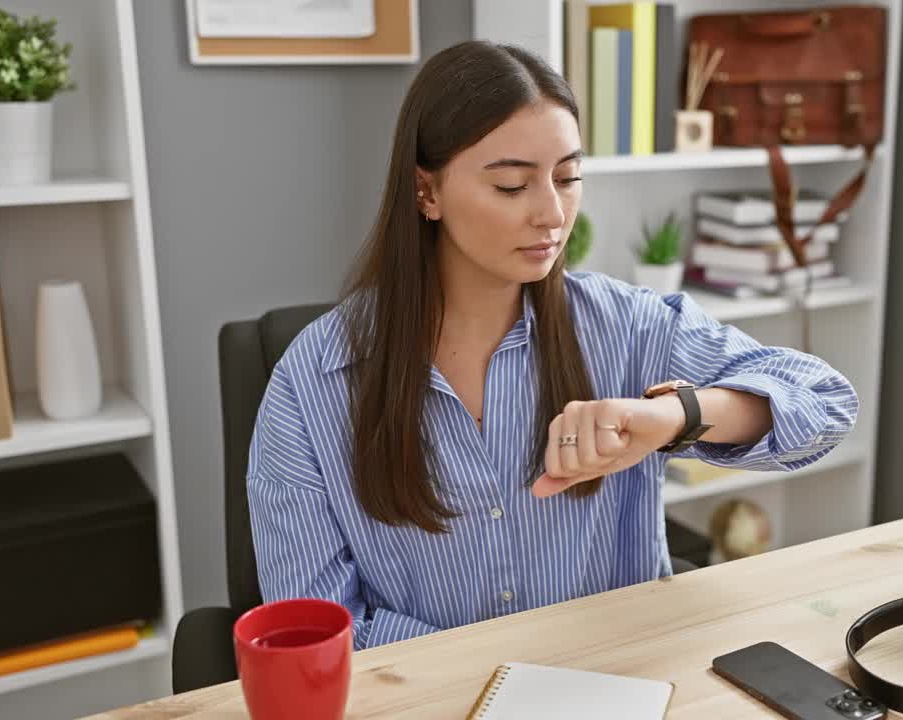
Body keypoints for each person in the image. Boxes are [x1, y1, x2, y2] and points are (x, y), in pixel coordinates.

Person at [246, 40, 858, 651]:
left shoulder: (629, 326)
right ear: (426, 192)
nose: (552, 214)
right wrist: (503, 671)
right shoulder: (314, 382)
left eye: (568, 178)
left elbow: (827, 404)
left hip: (618, 688)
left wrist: (676, 416)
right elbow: (317, 631)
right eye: (513, 186)